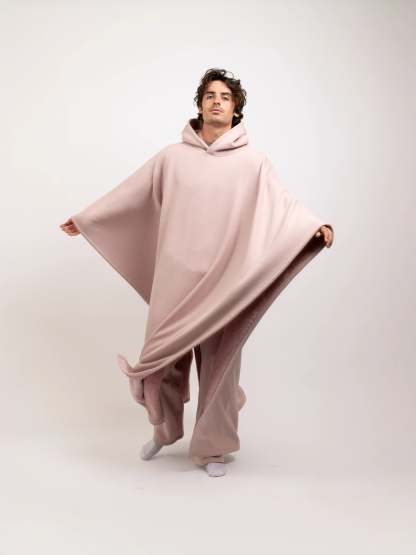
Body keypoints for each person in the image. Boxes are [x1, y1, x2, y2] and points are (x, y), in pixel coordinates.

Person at [60, 68, 334, 478]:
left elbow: (282, 205)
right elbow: (131, 193)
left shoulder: (253, 163)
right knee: (162, 361)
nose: (217, 101)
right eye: (210, 96)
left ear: (236, 109)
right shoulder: (172, 158)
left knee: (221, 365)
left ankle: (212, 448)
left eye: (225, 97)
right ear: (200, 105)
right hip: (176, 277)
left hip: (226, 282)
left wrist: (314, 226)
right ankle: (164, 431)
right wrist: (88, 219)